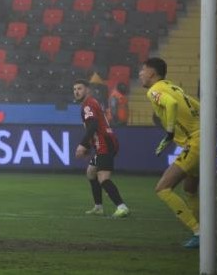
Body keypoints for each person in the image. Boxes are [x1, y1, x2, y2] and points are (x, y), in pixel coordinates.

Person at [139, 57, 201, 248]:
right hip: (202, 139)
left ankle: (199, 232)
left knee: (162, 189)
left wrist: (170, 130)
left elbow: (171, 105)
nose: (140, 74)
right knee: (190, 190)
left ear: (151, 73)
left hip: (195, 142)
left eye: (142, 70)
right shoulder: (173, 87)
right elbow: (196, 106)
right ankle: (203, 230)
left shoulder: (154, 90)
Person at [73, 79, 129, 218]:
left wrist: (83, 144)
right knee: (91, 172)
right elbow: (96, 126)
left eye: (80, 88)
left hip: (104, 143)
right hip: (105, 141)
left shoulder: (88, 105)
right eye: (75, 89)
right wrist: (88, 146)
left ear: (88, 90)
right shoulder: (93, 102)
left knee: (103, 178)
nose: (76, 92)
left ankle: (122, 207)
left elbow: (92, 126)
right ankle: (98, 207)